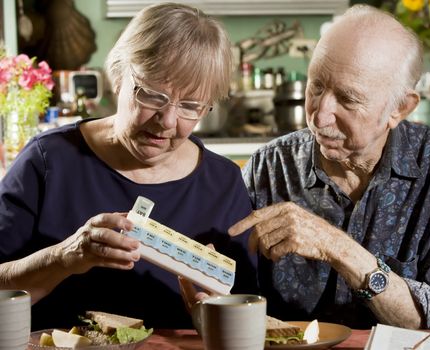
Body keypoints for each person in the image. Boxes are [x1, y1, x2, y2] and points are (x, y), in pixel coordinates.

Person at [228, 5, 430, 334]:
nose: (320, 115)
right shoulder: (271, 166)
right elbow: (233, 292)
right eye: (316, 88)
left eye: (348, 99)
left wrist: (338, 248)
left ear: (399, 107)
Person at [0, 3, 256, 330]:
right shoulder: (49, 162)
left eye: (190, 106)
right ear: (119, 77)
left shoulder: (223, 182)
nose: (166, 121)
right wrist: (63, 257)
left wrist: (211, 312)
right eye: (151, 95)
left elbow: (247, 316)